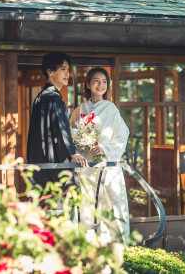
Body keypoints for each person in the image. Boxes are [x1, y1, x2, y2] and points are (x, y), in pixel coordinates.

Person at [70, 67, 130, 245]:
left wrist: (105, 148)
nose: (100, 85)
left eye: (104, 82)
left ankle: (115, 245)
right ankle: (87, 244)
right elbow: (70, 131)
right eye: (96, 81)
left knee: (110, 203)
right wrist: (79, 139)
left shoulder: (111, 108)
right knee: (85, 204)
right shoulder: (80, 109)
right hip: (84, 167)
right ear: (88, 84)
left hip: (106, 165)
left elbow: (122, 134)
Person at [27, 52, 87, 192]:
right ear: (50, 72)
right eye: (63, 69)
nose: (67, 73)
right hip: (53, 162)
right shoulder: (53, 97)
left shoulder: (41, 96)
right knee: (60, 204)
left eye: (68, 69)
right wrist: (73, 153)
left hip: (40, 160)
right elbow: (61, 128)